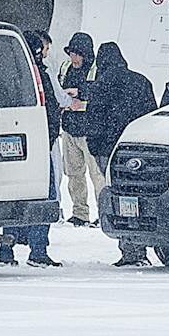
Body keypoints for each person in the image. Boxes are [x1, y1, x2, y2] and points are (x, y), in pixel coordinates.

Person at [85, 41, 158, 266]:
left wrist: (95, 148)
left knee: (120, 199)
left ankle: (128, 248)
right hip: (137, 151)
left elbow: (93, 121)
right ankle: (140, 246)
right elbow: (151, 115)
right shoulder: (141, 82)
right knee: (140, 197)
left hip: (109, 151)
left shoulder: (100, 86)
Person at [0, 30, 64, 267]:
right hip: (37, 145)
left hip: (12, 146)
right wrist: (49, 136)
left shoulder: (7, 72)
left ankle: (6, 250)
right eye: (44, 49)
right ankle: (38, 250)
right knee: (43, 198)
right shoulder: (38, 74)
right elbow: (49, 109)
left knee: (13, 198)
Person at [57, 32, 102, 226]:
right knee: (74, 175)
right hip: (69, 129)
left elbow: (99, 92)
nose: (73, 58)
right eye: (71, 54)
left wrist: (80, 95)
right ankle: (80, 213)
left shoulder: (96, 69)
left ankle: (103, 213)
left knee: (97, 176)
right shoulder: (65, 67)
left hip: (89, 130)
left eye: (77, 54)